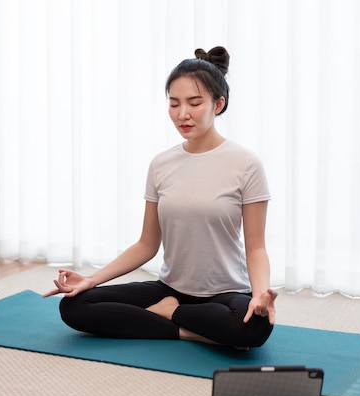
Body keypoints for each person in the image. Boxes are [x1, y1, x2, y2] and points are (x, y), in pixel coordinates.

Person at [43, 46, 277, 349]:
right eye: (174, 104)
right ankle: (185, 327)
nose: (183, 114)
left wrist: (260, 294)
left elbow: (256, 247)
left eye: (194, 103)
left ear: (218, 104)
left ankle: (172, 314)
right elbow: (147, 244)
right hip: (169, 287)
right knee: (74, 307)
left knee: (254, 328)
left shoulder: (246, 163)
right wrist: (91, 280)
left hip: (226, 293)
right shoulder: (161, 164)